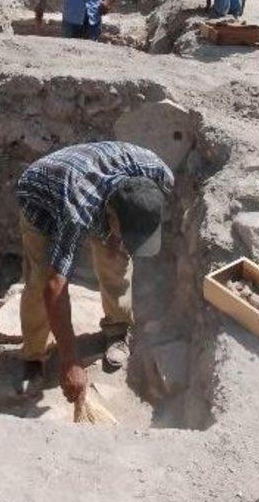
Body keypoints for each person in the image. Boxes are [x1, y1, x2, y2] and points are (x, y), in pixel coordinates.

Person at [15, 141, 174, 403]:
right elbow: (55, 287)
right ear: (111, 216)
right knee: (40, 281)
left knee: (117, 259)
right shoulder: (77, 212)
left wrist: (117, 240)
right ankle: (34, 355)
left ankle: (117, 329)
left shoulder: (158, 174)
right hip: (41, 196)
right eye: (121, 232)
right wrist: (70, 362)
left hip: (91, 180)